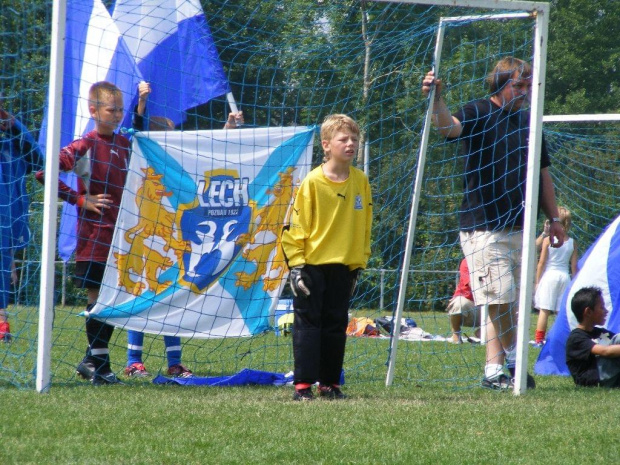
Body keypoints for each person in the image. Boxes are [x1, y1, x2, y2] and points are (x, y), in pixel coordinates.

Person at [422, 57, 564, 390]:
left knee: (510, 306)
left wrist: (554, 219)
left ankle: (493, 373)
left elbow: (544, 174)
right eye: (519, 85)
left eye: (529, 86)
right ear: (499, 84)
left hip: (520, 227)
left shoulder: (530, 123)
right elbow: (448, 128)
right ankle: (515, 362)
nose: (526, 92)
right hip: (482, 226)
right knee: (498, 301)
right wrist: (436, 99)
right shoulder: (478, 110)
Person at [36, 81, 129, 385]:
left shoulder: (126, 143)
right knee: (98, 297)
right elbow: (43, 173)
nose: (116, 115)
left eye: (120, 110)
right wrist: (80, 200)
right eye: (110, 109)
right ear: (93, 110)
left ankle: (93, 359)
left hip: (123, 235)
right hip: (94, 237)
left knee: (113, 299)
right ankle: (99, 363)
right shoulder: (84, 146)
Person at [281, 114, 372, 401]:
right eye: (343, 139)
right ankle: (303, 386)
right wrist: (296, 267)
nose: (350, 144)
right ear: (326, 144)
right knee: (308, 326)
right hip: (311, 266)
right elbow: (296, 227)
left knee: (335, 326)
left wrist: (358, 263)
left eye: (354, 139)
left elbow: (365, 225)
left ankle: (330, 384)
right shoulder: (312, 182)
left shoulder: (361, 182)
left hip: (343, 268)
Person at [0, 100, 43, 342]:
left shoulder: (12, 145)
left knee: (4, 266)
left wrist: (14, 126)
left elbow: (38, 162)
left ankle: (2, 321)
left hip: (6, 220)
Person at [532, 207, 578, 347]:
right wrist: (574, 283)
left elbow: (541, 263)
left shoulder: (548, 240)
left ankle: (539, 340)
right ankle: (562, 339)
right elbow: (574, 267)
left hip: (550, 275)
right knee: (560, 311)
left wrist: (537, 281)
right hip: (565, 276)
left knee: (544, 310)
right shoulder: (572, 242)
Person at [566, 286, 620, 388]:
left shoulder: (600, 332)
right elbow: (605, 352)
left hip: (610, 377)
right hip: (595, 380)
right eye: (602, 307)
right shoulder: (576, 338)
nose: (606, 311)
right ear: (588, 312)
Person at [447, 258, 481, 344]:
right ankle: (456, 332)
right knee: (459, 303)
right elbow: (472, 284)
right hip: (471, 306)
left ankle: (483, 332)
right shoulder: (467, 261)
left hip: (492, 306)